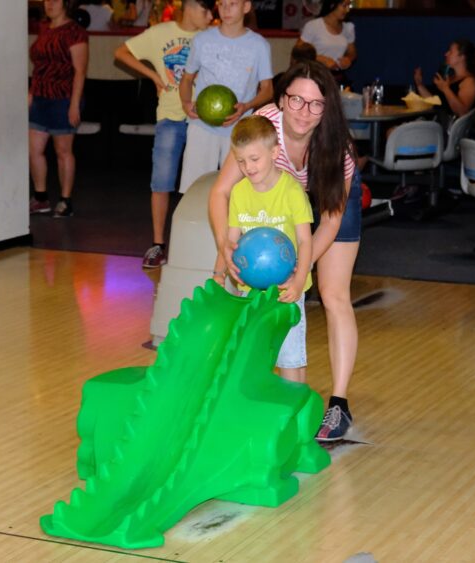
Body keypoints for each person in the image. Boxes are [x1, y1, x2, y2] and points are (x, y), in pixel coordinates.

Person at [209, 61, 358, 441]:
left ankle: (338, 405)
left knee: (333, 293)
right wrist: (225, 246)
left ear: (327, 109)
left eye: (315, 104)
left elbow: (329, 221)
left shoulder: (337, 146)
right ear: (281, 98)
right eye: (295, 99)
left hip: (327, 202)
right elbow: (222, 192)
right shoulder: (262, 129)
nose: (303, 112)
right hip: (277, 200)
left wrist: (299, 269)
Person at [114, 0, 214, 269]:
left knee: (198, 184)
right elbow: (121, 52)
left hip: (203, 120)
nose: (210, 16)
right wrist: (154, 77)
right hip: (170, 117)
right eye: (206, 11)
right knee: (161, 182)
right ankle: (158, 245)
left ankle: (198, 241)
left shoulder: (211, 37)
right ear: (191, 7)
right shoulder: (160, 33)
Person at [226, 115, 313, 383]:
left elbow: (305, 241)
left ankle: (294, 415)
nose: (248, 167)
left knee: (290, 358)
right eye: (241, 161)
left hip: (288, 287)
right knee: (256, 354)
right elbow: (231, 241)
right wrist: (224, 270)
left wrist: (298, 282)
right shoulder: (239, 193)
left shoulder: (291, 191)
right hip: (251, 291)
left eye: (254, 159)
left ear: (274, 152)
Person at [178, 0, 273, 194]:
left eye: (233, 4)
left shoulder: (259, 45)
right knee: (195, 191)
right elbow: (187, 80)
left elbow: (268, 90)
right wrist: (186, 103)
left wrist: (246, 106)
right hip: (202, 126)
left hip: (240, 130)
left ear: (246, 7)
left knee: (237, 193)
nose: (226, 9)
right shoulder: (202, 40)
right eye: (222, 4)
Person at [29, 0, 88, 218]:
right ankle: (41, 197)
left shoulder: (75, 32)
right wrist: (31, 93)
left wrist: (74, 104)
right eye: (47, 0)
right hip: (41, 96)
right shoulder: (44, 28)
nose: (49, 4)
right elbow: (38, 67)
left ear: (65, 4)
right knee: (34, 150)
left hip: (63, 98)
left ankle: (65, 200)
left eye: (55, 0)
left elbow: (80, 71)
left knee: (63, 151)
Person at [413, 38, 475, 125]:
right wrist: (419, 84)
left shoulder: (470, 81)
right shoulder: (451, 78)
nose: (446, 54)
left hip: (450, 131)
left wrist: (446, 89)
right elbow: (435, 102)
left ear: (462, 57)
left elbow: (461, 112)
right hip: (438, 123)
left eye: (450, 52)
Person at [295, 0, 356, 83]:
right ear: (332, 5)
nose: (347, 10)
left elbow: (352, 52)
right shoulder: (313, 26)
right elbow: (298, 52)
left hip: (336, 78)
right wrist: (319, 58)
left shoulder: (348, 28)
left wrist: (348, 59)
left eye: (349, 6)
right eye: (344, 6)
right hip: (314, 77)